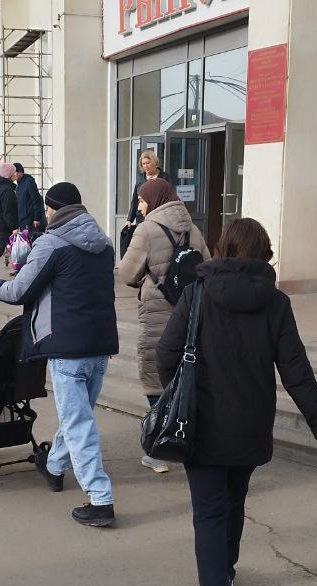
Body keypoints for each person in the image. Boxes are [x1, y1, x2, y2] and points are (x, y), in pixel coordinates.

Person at [156, 217, 317, 586]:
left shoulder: (197, 293)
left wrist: (178, 396)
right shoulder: (275, 303)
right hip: (250, 426)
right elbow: (295, 370)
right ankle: (226, 571)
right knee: (234, 501)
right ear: (264, 254)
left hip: (200, 426)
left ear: (223, 248)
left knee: (208, 514)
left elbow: (165, 353)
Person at [0, 182, 120, 527]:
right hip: (100, 344)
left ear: (54, 209)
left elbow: (18, 291)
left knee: (77, 423)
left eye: (47, 207)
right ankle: (54, 466)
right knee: (77, 417)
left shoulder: (51, 243)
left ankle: (100, 499)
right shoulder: (105, 244)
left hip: (67, 347)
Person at [118, 177, 209, 475]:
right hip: (191, 314)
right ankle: (189, 441)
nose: (140, 207)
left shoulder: (146, 230)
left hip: (158, 313)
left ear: (155, 199)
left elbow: (127, 274)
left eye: (142, 200)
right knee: (187, 375)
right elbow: (207, 267)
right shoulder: (194, 229)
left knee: (156, 375)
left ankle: (160, 448)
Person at [124, 149, 168, 231]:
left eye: (148, 163)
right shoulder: (140, 178)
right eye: (143, 164)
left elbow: (168, 199)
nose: (145, 166)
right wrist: (129, 219)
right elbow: (135, 199)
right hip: (141, 218)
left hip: (158, 218)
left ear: (154, 162)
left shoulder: (164, 177)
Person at [13, 162, 42, 235]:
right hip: (22, 220)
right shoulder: (19, 184)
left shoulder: (29, 181)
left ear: (20, 173)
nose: (13, 174)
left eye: (14, 172)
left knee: (29, 240)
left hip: (29, 220)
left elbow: (36, 199)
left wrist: (36, 218)